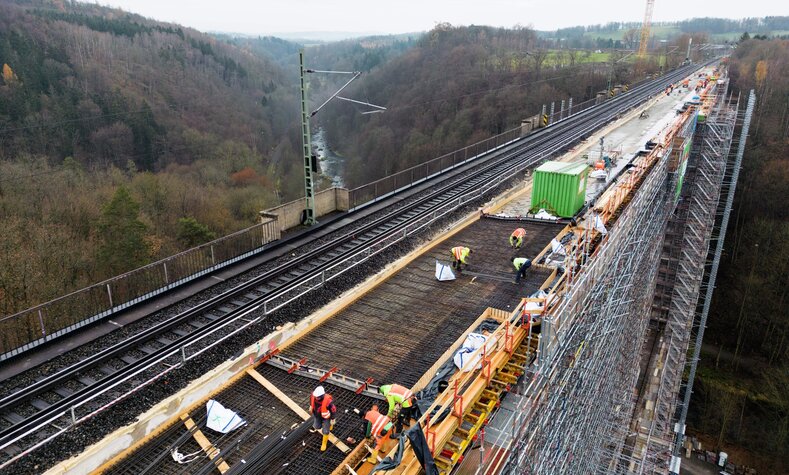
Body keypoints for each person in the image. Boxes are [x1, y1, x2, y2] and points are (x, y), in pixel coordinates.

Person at [309, 385, 337, 451]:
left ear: (322, 395)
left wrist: (333, 419)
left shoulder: (328, 401)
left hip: (326, 417)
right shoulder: (313, 396)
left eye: (317, 397)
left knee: (325, 431)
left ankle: (324, 443)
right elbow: (311, 401)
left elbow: (333, 410)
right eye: (316, 396)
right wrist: (310, 406)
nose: (316, 398)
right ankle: (324, 426)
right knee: (317, 426)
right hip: (317, 415)